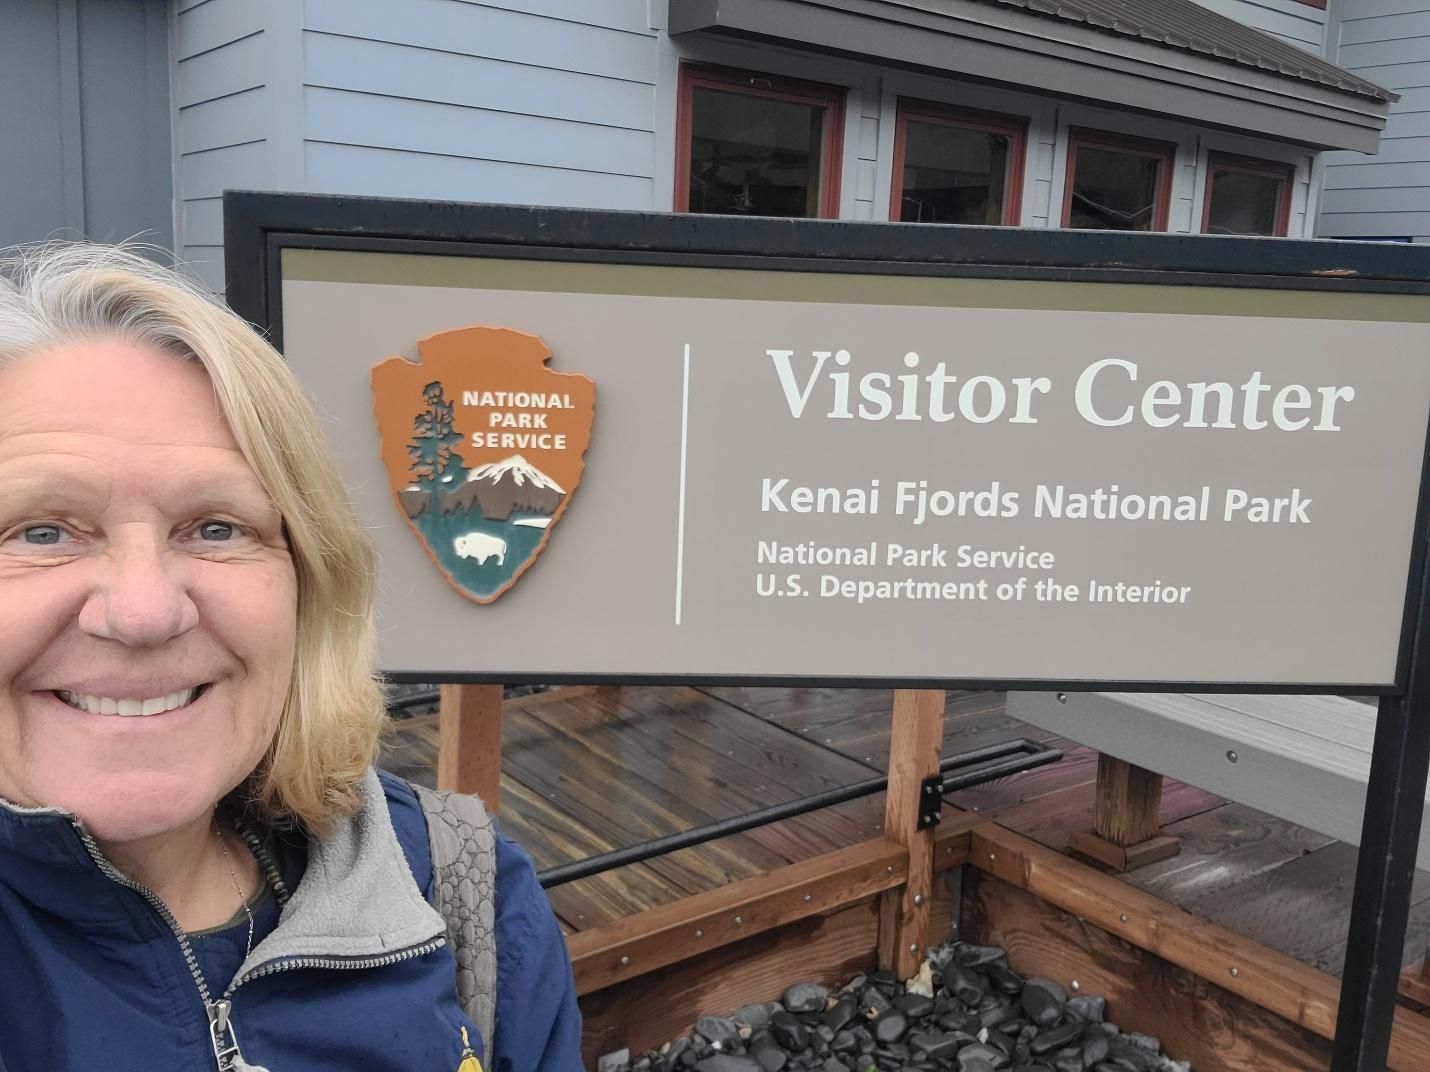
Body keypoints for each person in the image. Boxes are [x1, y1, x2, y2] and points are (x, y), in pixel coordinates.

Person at [0, 244, 584, 1071]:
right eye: (41, 532)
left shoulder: (465, 892)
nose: (143, 611)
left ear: (309, 584)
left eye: (216, 527)